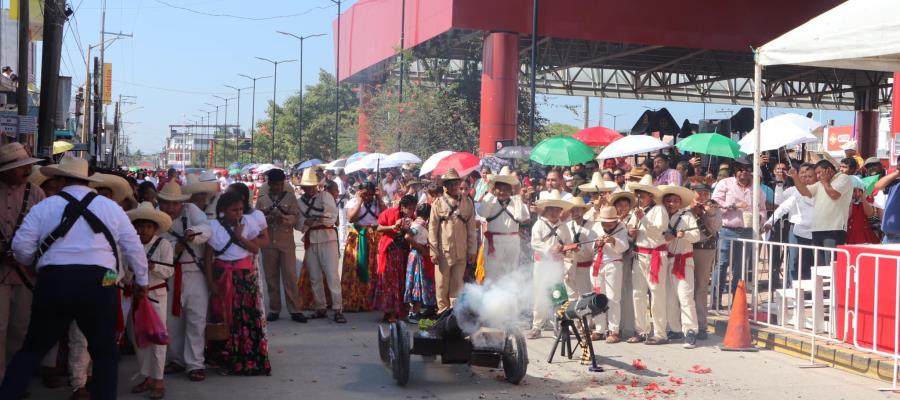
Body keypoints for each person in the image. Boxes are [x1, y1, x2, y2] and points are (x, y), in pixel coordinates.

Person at [3, 156, 149, 400]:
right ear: (87, 181)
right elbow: (133, 248)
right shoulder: (111, 207)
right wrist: (142, 282)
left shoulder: (44, 207)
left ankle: (9, 394)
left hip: (54, 281)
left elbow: (20, 248)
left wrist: (34, 263)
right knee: (104, 353)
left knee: (32, 348)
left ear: (60, 179)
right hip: (99, 283)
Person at [205, 191, 271, 376]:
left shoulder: (247, 223)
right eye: (234, 210)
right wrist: (211, 282)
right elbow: (208, 256)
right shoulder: (213, 226)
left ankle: (246, 358)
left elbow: (255, 249)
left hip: (244, 276)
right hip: (222, 275)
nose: (238, 213)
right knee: (225, 317)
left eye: (241, 209)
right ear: (223, 210)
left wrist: (240, 236)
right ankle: (224, 358)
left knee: (245, 317)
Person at [157, 182, 211, 382]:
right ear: (160, 202)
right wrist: (174, 247)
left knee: (196, 319)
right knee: (171, 321)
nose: (170, 207)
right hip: (169, 273)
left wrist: (193, 233)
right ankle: (176, 359)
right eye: (166, 203)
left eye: (174, 203)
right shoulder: (156, 217)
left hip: (194, 271)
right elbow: (153, 244)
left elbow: (207, 228)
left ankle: (195, 363)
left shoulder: (192, 210)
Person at [0, 143, 44, 380]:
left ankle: (15, 381)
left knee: (21, 327)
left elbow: (46, 233)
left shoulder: (36, 193)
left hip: (26, 272)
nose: (26, 171)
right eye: (20, 168)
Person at [125, 202, 174, 399]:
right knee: (138, 339)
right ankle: (147, 376)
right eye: (140, 226)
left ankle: (159, 378)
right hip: (135, 296)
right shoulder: (129, 245)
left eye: (148, 226)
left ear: (155, 228)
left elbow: (169, 271)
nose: (143, 230)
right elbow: (125, 272)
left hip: (156, 295)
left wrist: (153, 267)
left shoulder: (163, 245)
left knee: (157, 338)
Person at [711, 156, 766, 308]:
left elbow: (762, 209)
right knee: (722, 265)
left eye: (747, 170)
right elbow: (715, 203)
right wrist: (733, 206)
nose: (744, 172)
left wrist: (760, 219)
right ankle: (715, 300)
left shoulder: (757, 189)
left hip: (747, 231)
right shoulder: (725, 183)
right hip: (727, 230)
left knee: (740, 267)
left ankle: (737, 301)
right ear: (735, 170)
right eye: (740, 169)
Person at [255, 169, 305, 323]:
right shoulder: (262, 200)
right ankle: (274, 309)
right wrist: (267, 219)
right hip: (269, 241)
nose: (277, 187)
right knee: (271, 276)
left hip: (286, 241)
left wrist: (283, 218)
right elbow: (256, 219)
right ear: (269, 184)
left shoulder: (290, 198)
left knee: (290, 276)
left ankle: (295, 309)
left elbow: (295, 217)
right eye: (274, 184)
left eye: (279, 184)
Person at [625, 174, 670, 345]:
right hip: (639, 254)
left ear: (650, 196)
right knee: (638, 293)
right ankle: (641, 330)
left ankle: (660, 333)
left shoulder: (659, 210)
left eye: (642, 195)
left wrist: (642, 219)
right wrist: (632, 231)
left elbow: (658, 232)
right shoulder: (636, 212)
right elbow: (630, 228)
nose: (639, 198)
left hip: (655, 255)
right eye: (638, 195)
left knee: (657, 294)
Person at [296, 168, 344, 323]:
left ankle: (337, 308)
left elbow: (331, 217)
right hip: (311, 238)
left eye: (312, 186)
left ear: (317, 185)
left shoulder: (325, 196)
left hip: (327, 238)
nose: (309, 189)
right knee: (314, 277)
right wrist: (307, 222)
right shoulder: (300, 202)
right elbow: (298, 223)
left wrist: (314, 220)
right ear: (302, 187)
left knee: (332, 275)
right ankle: (320, 307)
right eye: (306, 186)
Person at [428, 168, 478, 313]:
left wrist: (472, 250)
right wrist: (433, 251)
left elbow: (471, 229)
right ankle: (442, 312)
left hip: (461, 250)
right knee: (442, 284)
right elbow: (432, 228)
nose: (454, 186)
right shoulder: (438, 203)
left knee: (458, 284)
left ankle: (455, 315)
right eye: (451, 184)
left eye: (456, 183)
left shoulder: (467, 203)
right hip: (444, 251)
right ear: (445, 186)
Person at [659, 185, 702, 348]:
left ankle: (690, 330)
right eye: (669, 200)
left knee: (685, 296)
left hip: (683, 260)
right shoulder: (661, 216)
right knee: (669, 297)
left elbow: (696, 236)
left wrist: (685, 235)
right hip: (666, 261)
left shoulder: (687, 216)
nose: (671, 203)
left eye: (675, 201)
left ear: (680, 202)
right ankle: (675, 328)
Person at [528, 190, 574, 339]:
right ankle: (537, 326)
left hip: (557, 265)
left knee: (558, 295)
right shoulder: (539, 225)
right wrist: (550, 249)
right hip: (542, 264)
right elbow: (535, 243)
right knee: (540, 294)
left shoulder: (564, 227)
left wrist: (566, 249)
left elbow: (567, 244)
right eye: (551, 209)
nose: (554, 212)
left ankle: (558, 324)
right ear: (546, 210)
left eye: (557, 209)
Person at [477, 167, 529, 281]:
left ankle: (509, 298)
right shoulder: (491, 200)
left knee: (511, 274)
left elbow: (521, 217)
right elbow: (482, 212)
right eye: (499, 188)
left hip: (512, 242)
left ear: (511, 189)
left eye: (506, 189)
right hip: (493, 243)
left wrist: (517, 196)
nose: (502, 192)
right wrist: (490, 193)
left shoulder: (516, 201)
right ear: (495, 189)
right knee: (492, 274)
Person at [791, 160, 853, 256]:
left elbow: (834, 194)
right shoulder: (820, 183)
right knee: (818, 267)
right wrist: (795, 177)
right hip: (816, 229)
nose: (818, 176)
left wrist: (824, 181)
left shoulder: (843, 178)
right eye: (816, 174)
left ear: (828, 170)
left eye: (819, 172)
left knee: (830, 265)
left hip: (834, 229)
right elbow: (805, 192)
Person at [341, 182, 384, 311]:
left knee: (374, 268)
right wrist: (360, 201)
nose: (368, 197)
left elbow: (386, 216)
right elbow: (351, 218)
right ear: (360, 192)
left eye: (371, 194)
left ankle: (372, 300)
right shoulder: (353, 202)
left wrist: (380, 198)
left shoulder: (377, 203)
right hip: (358, 237)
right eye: (365, 194)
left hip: (374, 238)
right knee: (355, 268)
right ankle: (354, 299)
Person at [589, 206, 629, 343]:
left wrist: (614, 241)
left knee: (613, 298)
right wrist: (596, 243)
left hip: (614, 263)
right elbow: (588, 246)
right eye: (605, 222)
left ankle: (614, 330)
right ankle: (600, 329)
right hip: (597, 264)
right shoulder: (595, 227)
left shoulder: (621, 228)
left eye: (610, 223)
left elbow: (624, 247)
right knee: (597, 298)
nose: (607, 225)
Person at [374, 195, 418, 322]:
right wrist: (392, 227)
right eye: (409, 208)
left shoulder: (412, 218)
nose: (411, 211)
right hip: (391, 252)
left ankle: (400, 312)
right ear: (402, 207)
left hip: (404, 253)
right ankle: (390, 312)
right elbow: (379, 227)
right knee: (391, 283)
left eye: (413, 209)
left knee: (402, 282)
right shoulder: (390, 213)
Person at [688, 181, 721, 339]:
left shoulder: (713, 207)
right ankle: (686, 323)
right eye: (699, 193)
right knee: (685, 287)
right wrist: (692, 212)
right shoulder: (685, 207)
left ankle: (701, 325)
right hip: (687, 248)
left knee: (701, 287)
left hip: (705, 249)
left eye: (705, 193)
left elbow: (716, 228)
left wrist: (710, 213)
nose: (702, 196)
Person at [404, 203, 436, 322]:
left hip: (416, 255)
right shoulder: (419, 224)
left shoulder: (416, 222)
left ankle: (415, 311)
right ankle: (415, 312)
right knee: (418, 282)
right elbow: (408, 236)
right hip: (418, 255)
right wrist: (420, 247)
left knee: (418, 282)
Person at [563, 197, 596, 302]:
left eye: (577, 209)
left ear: (583, 210)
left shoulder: (592, 226)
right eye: (572, 209)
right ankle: (575, 319)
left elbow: (592, 251)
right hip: (569, 267)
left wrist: (579, 250)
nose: (574, 212)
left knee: (586, 298)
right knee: (572, 299)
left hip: (585, 268)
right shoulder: (566, 226)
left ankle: (588, 319)